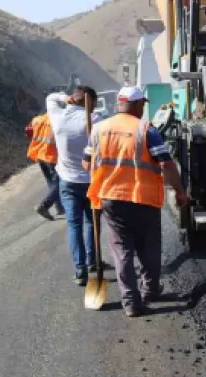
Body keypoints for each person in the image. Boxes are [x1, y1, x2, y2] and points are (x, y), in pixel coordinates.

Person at [85, 86, 189, 317]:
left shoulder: (99, 129)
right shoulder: (145, 129)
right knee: (148, 247)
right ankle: (150, 291)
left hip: (112, 198)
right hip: (143, 198)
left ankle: (131, 302)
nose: (143, 108)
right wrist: (180, 192)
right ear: (134, 104)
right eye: (142, 104)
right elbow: (166, 163)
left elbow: (86, 163)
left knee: (122, 250)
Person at [47, 84, 104, 285]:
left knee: (74, 224)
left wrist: (64, 98)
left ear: (73, 98)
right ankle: (92, 261)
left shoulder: (58, 118)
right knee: (92, 223)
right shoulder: (96, 120)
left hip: (68, 181)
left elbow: (50, 99)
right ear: (93, 103)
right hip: (91, 181)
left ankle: (80, 270)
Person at [25, 112, 64, 220]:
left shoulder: (37, 119)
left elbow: (28, 132)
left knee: (52, 182)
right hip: (51, 155)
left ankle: (59, 207)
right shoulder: (58, 120)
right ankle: (44, 206)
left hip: (39, 154)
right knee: (61, 182)